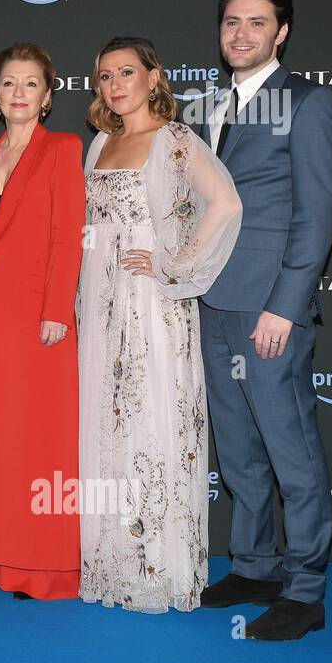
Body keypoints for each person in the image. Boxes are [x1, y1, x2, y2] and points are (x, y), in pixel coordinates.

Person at [196, 0, 332, 640]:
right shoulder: (211, 106)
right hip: (215, 301)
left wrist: (286, 305)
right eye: (232, 22)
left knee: (291, 451)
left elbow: (316, 217)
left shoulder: (308, 102)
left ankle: (305, 590)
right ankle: (254, 566)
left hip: (268, 312)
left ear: (280, 32)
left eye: (257, 23)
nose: (242, 34)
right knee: (240, 450)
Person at [77, 36, 242, 614]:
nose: (115, 84)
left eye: (126, 71)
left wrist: (176, 262)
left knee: (154, 419)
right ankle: (113, 559)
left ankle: (159, 566)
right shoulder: (99, 142)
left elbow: (225, 203)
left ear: (154, 78)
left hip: (153, 302)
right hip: (100, 301)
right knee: (109, 421)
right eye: (104, 75)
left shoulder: (173, 139)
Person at [0, 43, 84, 600]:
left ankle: (42, 566)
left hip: (35, 318)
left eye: (31, 84)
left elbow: (65, 236)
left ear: (47, 97)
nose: (19, 93)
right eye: (9, 83)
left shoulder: (63, 149)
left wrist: (56, 309)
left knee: (38, 440)